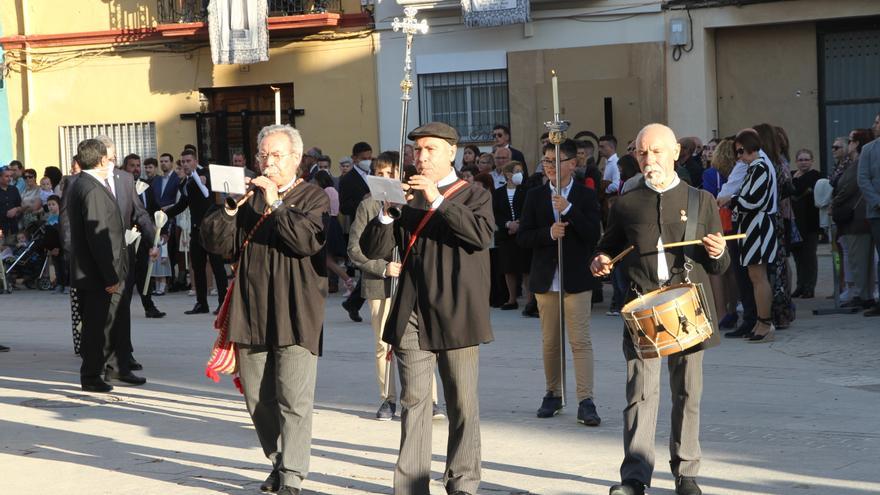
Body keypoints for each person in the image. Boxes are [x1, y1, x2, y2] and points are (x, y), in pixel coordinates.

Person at [591, 123, 728, 495]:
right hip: (643, 311)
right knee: (640, 395)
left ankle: (687, 474)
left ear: (675, 154)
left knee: (687, 393)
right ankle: (634, 478)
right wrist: (601, 260)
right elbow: (607, 248)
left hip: (690, 310)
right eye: (641, 152)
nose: (647, 159)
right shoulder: (626, 203)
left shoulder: (702, 200)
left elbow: (718, 265)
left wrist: (718, 252)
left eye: (655, 152)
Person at [360, 122, 493, 495]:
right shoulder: (406, 196)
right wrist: (387, 212)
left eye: (430, 149)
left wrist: (437, 199)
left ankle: (463, 482)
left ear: (452, 151)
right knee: (414, 401)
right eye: (417, 150)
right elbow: (373, 248)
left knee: (462, 400)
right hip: (412, 310)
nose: (421, 157)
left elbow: (480, 235)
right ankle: (411, 486)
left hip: (457, 310)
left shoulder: (474, 194)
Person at [201, 124, 329, 495]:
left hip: (296, 310)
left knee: (294, 398)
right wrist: (228, 207)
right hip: (251, 308)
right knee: (257, 398)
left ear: (295, 159)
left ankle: (292, 476)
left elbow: (306, 241)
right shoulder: (247, 199)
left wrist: (275, 202)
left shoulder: (314, 197)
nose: (268, 163)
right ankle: (278, 459)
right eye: (263, 156)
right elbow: (215, 242)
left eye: (276, 156)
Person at [346, 151, 443, 421]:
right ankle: (387, 398)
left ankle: (429, 399)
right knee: (383, 344)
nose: (387, 178)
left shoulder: (417, 201)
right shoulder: (367, 205)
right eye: (382, 173)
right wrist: (381, 267)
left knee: (422, 342)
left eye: (392, 173)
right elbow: (354, 250)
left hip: (413, 283)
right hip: (381, 284)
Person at [518, 138, 602, 425]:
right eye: (546, 161)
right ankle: (552, 393)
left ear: (572, 164)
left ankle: (585, 399)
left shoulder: (586, 195)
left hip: (576, 277)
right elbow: (523, 237)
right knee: (551, 342)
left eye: (556, 161)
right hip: (546, 278)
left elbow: (593, 234)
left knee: (580, 341)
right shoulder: (534, 196)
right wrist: (549, 233)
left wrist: (568, 210)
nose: (550, 166)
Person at [66, 138, 138, 393]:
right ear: (99, 160)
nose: (110, 163)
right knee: (97, 326)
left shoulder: (84, 184)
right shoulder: (91, 188)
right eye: (108, 159)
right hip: (96, 274)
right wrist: (110, 277)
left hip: (93, 271)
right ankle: (92, 375)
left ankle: (103, 370)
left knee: (100, 324)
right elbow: (97, 236)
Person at [163, 148, 229, 314]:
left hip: (212, 230)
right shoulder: (184, 182)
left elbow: (208, 184)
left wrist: (204, 178)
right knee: (197, 268)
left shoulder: (204, 173)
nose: (185, 164)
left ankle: (223, 304)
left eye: (188, 161)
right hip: (196, 230)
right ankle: (202, 303)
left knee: (217, 267)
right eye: (183, 162)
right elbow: (183, 204)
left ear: (195, 160)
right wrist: (165, 214)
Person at [728, 129, 778, 341]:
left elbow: (754, 200)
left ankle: (765, 323)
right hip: (751, 227)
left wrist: (733, 200)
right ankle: (760, 321)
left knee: (759, 277)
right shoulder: (754, 168)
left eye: (741, 151)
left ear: (750, 148)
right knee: (755, 277)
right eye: (737, 152)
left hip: (758, 227)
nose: (738, 156)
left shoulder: (760, 168)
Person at [833, 129, 875, 310]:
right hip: (859, 218)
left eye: (850, 141)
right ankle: (864, 294)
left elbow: (848, 187)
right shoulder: (855, 163)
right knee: (862, 259)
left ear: (857, 143)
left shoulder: (858, 163)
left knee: (859, 260)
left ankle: (862, 295)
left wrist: (833, 202)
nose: (848, 144)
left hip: (856, 219)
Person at [492, 161, 530, 310]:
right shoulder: (498, 193)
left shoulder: (526, 191)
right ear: (508, 174)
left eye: (521, 171)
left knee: (526, 268)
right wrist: (508, 224)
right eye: (516, 171)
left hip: (523, 234)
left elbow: (528, 209)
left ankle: (529, 300)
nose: (520, 174)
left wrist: (519, 224)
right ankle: (511, 299)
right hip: (506, 235)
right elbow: (496, 213)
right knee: (509, 268)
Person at [791, 149, 821, 298]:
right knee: (798, 257)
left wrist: (796, 182)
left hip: (810, 222)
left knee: (809, 257)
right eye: (801, 160)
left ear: (812, 161)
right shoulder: (791, 174)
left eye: (806, 160)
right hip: (795, 224)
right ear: (796, 161)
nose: (803, 162)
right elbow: (791, 191)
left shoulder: (815, 175)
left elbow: (798, 189)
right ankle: (800, 285)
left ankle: (809, 287)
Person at [858, 112, 880, 317]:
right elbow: (863, 179)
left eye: (878, 122)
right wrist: (877, 202)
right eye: (874, 122)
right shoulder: (868, 149)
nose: (874, 125)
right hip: (877, 213)